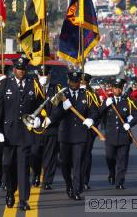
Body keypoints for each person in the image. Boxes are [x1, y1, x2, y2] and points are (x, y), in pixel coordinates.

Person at [0, 57, 44, 210]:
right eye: (18, 69)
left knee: (23, 167)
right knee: (7, 165)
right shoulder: (4, 84)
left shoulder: (33, 83)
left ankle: (23, 200)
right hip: (8, 134)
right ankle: (9, 191)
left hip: (25, 133)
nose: (21, 72)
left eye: (23, 69)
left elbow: (42, 104)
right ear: (14, 69)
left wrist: (39, 119)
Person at [50, 71, 98, 201]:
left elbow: (94, 111)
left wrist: (91, 120)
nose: (74, 84)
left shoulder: (86, 95)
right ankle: (69, 184)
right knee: (65, 163)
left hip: (80, 135)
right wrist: (63, 108)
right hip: (65, 135)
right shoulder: (61, 95)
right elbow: (53, 114)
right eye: (72, 82)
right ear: (68, 81)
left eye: (76, 82)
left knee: (78, 163)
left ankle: (77, 189)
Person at [101, 78, 137, 189]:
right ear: (112, 89)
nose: (117, 90)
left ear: (122, 89)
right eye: (115, 88)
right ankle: (112, 173)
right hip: (110, 135)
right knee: (109, 157)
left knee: (122, 160)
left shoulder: (129, 101)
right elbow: (99, 113)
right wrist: (104, 106)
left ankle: (120, 181)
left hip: (124, 136)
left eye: (119, 88)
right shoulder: (107, 101)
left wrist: (130, 123)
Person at [30, 65, 62, 190]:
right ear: (37, 75)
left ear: (50, 75)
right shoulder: (32, 87)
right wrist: (34, 119)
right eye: (41, 75)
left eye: (45, 74)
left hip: (51, 127)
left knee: (50, 156)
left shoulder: (57, 89)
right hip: (36, 128)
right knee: (34, 154)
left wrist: (51, 118)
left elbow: (59, 108)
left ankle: (48, 180)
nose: (43, 77)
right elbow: (27, 104)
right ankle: (36, 174)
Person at [81, 73, 101, 190]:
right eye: (81, 82)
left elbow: (97, 112)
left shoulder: (93, 95)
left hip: (88, 131)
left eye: (85, 82)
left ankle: (84, 180)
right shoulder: (71, 93)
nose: (83, 84)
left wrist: (92, 121)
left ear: (88, 83)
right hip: (73, 130)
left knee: (86, 155)